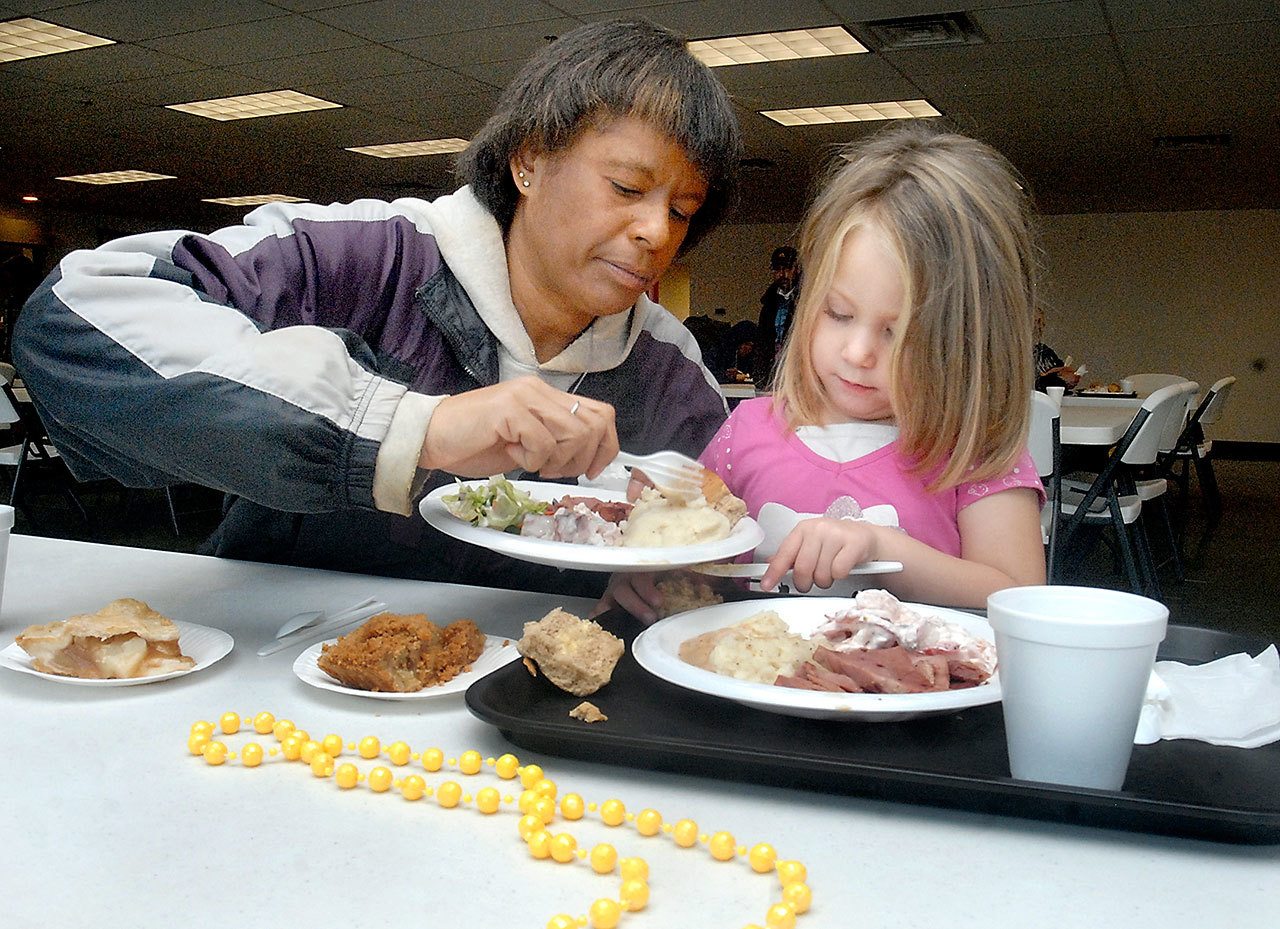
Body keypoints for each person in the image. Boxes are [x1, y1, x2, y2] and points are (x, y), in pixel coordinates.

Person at [12, 19, 741, 597]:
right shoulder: (365, 259)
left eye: (681, 210)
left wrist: (667, 590)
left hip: (521, 729)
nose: (655, 232)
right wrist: (410, 427)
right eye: (625, 187)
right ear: (528, 160)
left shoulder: (671, 381)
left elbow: (731, 555)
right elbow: (74, 316)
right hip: (270, 672)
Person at [601, 126, 1047, 619]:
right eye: (837, 313)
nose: (858, 352)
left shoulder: (972, 451)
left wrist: (879, 548)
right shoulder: (747, 430)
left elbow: (1018, 594)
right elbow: (699, 553)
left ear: (969, 344)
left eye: (899, 333)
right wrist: (652, 551)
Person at [753, 244, 799, 387]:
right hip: (771, 375)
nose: (783, 274)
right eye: (778, 269)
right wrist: (759, 377)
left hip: (797, 375)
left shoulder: (805, 301)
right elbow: (762, 343)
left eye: (787, 268)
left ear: (796, 269)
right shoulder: (768, 304)